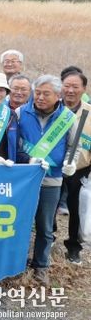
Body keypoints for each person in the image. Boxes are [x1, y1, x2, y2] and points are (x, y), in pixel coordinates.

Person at [16, 75, 75, 286]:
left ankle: (41, 266)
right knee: (20, 222)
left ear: (58, 95)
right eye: (38, 93)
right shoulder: (20, 112)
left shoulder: (67, 118)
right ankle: (17, 263)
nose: (40, 97)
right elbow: (15, 142)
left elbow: (73, 146)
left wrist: (70, 162)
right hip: (24, 179)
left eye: (46, 94)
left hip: (51, 180)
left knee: (45, 225)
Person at [60, 70, 90, 265]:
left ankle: (73, 247)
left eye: (75, 87)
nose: (70, 90)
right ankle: (49, 238)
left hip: (80, 169)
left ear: (84, 89)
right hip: (53, 168)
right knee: (48, 206)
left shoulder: (89, 112)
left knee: (76, 208)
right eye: (67, 86)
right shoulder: (53, 108)